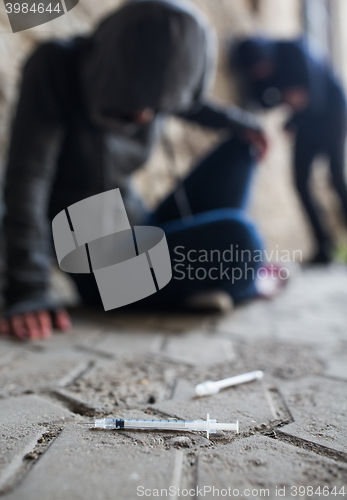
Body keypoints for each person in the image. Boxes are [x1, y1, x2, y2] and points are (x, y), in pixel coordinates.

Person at [0, 0, 268, 340]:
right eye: (136, 105)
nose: (144, 117)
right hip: (102, 268)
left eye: (156, 108)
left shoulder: (159, 94)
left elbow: (191, 103)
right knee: (242, 240)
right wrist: (27, 290)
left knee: (241, 148)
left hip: (141, 224)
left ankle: (219, 281)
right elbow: (28, 179)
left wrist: (244, 125)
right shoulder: (54, 66)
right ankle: (234, 280)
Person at [231, 37, 347, 264]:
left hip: (334, 115)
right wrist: (291, 103)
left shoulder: (294, 50)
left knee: (336, 177)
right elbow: (267, 101)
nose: (262, 73)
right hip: (305, 124)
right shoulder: (259, 71)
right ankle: (324, 246)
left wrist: (292, 107)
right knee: (300, 181)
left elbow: (315, 97)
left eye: (263, 68)